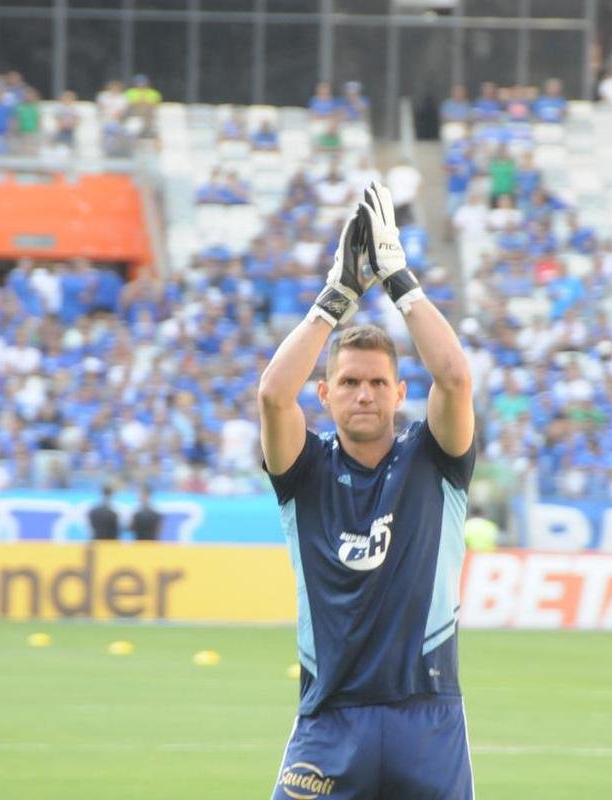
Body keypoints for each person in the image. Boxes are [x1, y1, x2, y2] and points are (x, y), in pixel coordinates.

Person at [258, 182, 477, 799]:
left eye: (379, 382)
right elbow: (274, 396)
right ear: (324, 394)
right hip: (330, 720)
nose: (365, 393)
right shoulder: (305, 470)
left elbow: (456, 378)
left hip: (427, 717)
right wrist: (335, 301)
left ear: (399, 393)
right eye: (349, 381)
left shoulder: (433, 459)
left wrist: (398, 279)